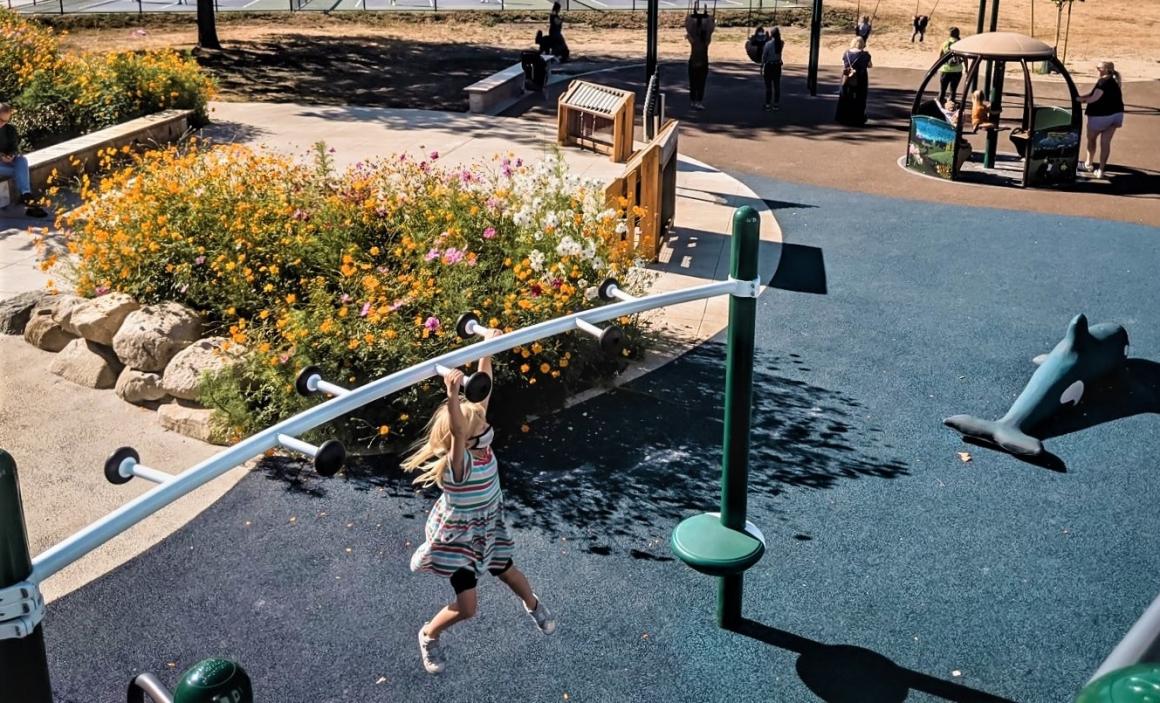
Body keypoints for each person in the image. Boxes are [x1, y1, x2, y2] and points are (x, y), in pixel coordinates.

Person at [406, 331, 556, 675]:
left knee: (511, 574)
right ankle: (429, 634)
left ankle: (533, 606)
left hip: (488, 528)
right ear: (466, 435)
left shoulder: (481, 443)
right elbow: (460, 429)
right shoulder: (461, 464)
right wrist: (453, 394)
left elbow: (482, 391)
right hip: (460, 543)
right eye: (479, 423)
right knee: (468, 608)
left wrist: (488, 346)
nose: (486, 422)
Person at [1077, 60, 1124, 180]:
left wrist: (1080, 100)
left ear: (1106, 70)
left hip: (1100, 116)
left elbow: (1094, 98)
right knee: (1105, 143)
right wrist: (1083, 96)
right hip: (1116, 116)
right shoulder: (1114, 81)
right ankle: (1101, 170)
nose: (1098, 70)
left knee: (1091, 140)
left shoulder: (1102, 82)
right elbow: (1093, 93)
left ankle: (1089, 163)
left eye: (1100, 68)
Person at [0, 104, 46, 219]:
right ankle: (28, 200)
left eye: (6, 121)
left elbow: (14, 147)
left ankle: (26, 194)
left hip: (5, 163)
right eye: (0, 120)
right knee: (21, 172)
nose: (2, 123)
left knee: (21, 160)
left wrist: (11, 155)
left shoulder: (9, 129)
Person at [835, 37, 872, 126]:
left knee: (845, 97)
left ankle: (842, 117)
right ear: (862, 44)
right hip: (860, 78)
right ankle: (858, 118)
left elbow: (843, 64)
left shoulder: (846, 53)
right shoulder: (865, 55)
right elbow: (870, 65)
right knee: (860, 98)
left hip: (847, 77)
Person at [685, 2, 715, 110]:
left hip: (694, 62)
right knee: (700, 83)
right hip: (702, 62)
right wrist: (708, 19)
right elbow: (711, 28)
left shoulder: (694, 40)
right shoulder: (705, 41)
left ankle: (694, 101)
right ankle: (697, 101)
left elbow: (688, 25)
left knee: (694, 82)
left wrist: (694, 19)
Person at [761, 27, 785, 111]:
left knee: (768, 86)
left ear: (772, 35)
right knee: (777, 85)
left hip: (769, 66)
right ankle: (776, 104)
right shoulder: (781, 43)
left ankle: (768, 104)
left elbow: (764, 56)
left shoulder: (768, 44)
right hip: (777, 66)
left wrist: (761, 66)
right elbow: (779, 43)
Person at [937, 27, 963, 104]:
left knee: (942, 90)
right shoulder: (960, 43)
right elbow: (964, 58)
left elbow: (940, 56)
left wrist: (937, 68)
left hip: (946, 69)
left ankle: (940, 106)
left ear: (949, 34)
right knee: (953, 91)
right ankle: (951, 106)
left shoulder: (945, 43)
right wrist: (967, 68)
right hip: (957, 70)